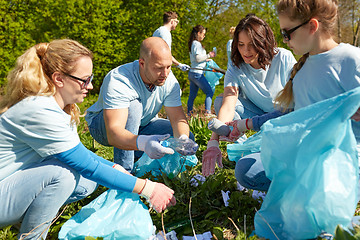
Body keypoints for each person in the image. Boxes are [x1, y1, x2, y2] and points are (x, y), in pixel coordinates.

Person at [0, 39, 176, 240]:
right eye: (84, 80)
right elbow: (86, 165)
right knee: (63, 175)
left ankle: (29, 216)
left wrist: (114, 168)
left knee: (86, 182)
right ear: (59, 78)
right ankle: (31, 236)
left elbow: (82, 157)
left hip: (8, 185)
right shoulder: (40, 110)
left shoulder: (60, 107)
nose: (90, 86)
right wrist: (148, 188)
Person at [224, 0, 360, 194]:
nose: (285, 41)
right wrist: (246, 126)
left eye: (287, 33)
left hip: (346, 158)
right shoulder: (302, 73)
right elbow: (290, 116)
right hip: (310, 155)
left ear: (312, 26)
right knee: (247, 170)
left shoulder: (351, 59)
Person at [202, 14, 296, 176]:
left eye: (252, 44)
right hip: (257, 111)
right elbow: (229, 103)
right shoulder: (236, 66)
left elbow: (296, 105)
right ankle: (242, 149)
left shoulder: (283, 58)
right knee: (219, 101)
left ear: (263, 42)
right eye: (241, 44)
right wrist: (213, 141)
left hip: (283, 115)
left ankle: (259, 147)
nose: (246, 51)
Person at [85, 37, 196, 173]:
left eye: (168, 67)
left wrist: (182, 139)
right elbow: (114, 133)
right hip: (104, 128)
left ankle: (141, 157)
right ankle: (125, 173)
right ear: (142, 63)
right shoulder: (120, 79)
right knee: (134, 106)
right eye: (158, 68)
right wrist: (144, 143)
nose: (165, 74)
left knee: (186, 138)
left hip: (142, 124)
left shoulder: (169, 79)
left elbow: (177, 118)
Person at [187, 25, 217, 116]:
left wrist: (206, 59)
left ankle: (189, 113)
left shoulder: (193, 43)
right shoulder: (196, 43)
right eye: (203, 34)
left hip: (192, 72)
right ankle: (208, 113)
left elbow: (197, 59)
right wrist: (209, 55)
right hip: (197, 73)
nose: (204, 36)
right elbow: (198, 58)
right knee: (209, 92)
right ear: (199, 33)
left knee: (192, 95)